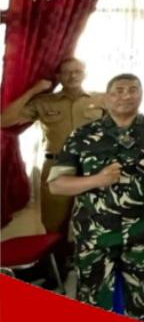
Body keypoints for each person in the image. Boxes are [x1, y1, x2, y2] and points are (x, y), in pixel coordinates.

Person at [47, 74, 144, 322]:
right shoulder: (83, 135)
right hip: (95, 232)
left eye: (133, 90)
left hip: (143, 229)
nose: (126, 96)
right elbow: (57, 184)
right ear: (106, 98)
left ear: (141, 95)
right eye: (118, 90)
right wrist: (96, 180)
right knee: (93, 299)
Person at [0, 58, 105, 244]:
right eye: (67, 72)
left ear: (85, 74)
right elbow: (5, 120)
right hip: (56, 167)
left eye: (78, 71)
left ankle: (85, 261)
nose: (73, 76)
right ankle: (55, 261)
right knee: (54, 224)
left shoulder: (102, 99)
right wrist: (33, 91)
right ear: (58, 76)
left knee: (94, 221)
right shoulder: (44, 102)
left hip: (91, 167)